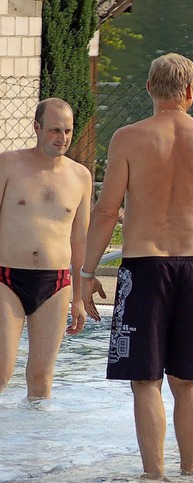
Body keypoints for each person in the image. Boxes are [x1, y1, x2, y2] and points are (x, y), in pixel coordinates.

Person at [81, 53, 193, 479]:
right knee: (187, 382)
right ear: (191, 92)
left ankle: (155, 476)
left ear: (150, 88)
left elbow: (105, 212)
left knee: (146, 381)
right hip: (190, 268)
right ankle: (189, 472)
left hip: (143, 267)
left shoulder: (128, 139)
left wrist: (85, 273)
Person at [0, 98, 92, 399]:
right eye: (54, 130)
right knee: (2, 370)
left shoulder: (80, 176)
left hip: (55, 283)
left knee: (41, 380)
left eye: (67, 130)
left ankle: (35, 444)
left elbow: (81, 240)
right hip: (7, 278)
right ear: (37, 128)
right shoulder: (8, 165)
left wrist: (78, 298)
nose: (62, 138)